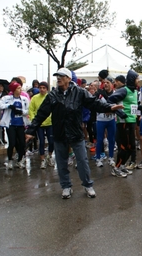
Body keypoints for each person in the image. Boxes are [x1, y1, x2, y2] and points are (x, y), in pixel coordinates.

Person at [25, 68, 123, 199]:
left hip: (76, 133)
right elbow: (41, 114)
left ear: (69, 78)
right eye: (57, 76)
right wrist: (31, 130)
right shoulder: (52, 95)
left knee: (82, 161)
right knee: (61, 162)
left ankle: (88, 185)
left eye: (62, 76)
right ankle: (66, 187)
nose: (58, 78)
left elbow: (94, 103)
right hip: (59, 134)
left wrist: (109, 107)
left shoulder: (80, 92)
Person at [108, 71, 139, 176]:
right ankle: (116, 168)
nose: (138, 81)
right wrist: (119, 112)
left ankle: (121, 166)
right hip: (123, 122)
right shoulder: (123, 90)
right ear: (132, 79)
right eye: (137, 79)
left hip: (132, 121)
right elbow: (110, 100)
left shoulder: (134, 91)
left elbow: (133, 106)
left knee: (131, 147)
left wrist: (139, 110)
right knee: (124, 147)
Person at [0, 82, 30, 169]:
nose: (20, 90)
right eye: (18, 88)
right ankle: (10, 160)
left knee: (22, 143)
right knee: (12, 143)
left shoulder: (24, 99)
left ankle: (20, 161)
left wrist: (21, 112)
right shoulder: (7, 98)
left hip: (21, 124)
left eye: (20, 88)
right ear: (13, 90)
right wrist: (8, 106)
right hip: (11, 124)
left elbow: (29, 110)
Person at [28, 81, 55, 169]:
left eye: (44, 88)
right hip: (39, 124)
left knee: (51, 142)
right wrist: (34, 120)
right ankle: (42, 159)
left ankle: (50, 156)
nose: (42, 89)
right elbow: (31, 110)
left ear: (47, 89)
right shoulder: (34, 98)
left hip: (50, 123)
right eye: (40, 88)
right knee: (42, 142)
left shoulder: (50, 97)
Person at [94, 77, 117, 168]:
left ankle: (111, 157)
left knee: (111, 139)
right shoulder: (99, 94)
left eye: (108, 82)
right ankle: (98, 158)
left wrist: (111, 111)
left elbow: (118, 106)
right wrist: (105, 109)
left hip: (111, 120)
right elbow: (95, 105)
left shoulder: (116, 94)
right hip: (100, 120)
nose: (106, 84)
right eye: (104, 83)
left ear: (112, 84)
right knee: (99, 140)